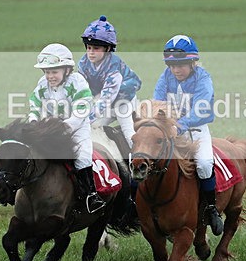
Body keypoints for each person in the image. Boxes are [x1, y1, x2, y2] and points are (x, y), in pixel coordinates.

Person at [153, 34, 223, 236]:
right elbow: (158, 103)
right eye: (172, 65)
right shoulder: (165, 77)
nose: (176, 70)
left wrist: (179, 125)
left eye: (181, 65)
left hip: (196, 130)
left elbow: (201, 110)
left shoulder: (203, 78)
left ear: (193, 62)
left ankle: (211, 208)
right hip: (171, 129)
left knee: (203, 163)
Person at [28, 43, 106, 213]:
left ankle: (90, 196)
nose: (50, 76)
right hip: (50, 128)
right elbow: (34, 103)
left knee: (82, 157)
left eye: (54, 72)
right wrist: (33, 120)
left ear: (67, 70)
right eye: (47, 72)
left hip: (77, 128)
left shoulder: (78, 82)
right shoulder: (42, 84)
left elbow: (81, 110)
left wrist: (64, 126)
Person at [78, 15, 142, 147]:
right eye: (89, 47)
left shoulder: (113, 67)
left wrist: (87, 117)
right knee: (93, 127)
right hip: (104, 102)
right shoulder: (83, 63)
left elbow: (107, 98)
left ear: (107, 49)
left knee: (128, 133)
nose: (91, 52)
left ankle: (136, 162)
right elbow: (82, 90)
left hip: (123, 102)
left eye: (96, 48)